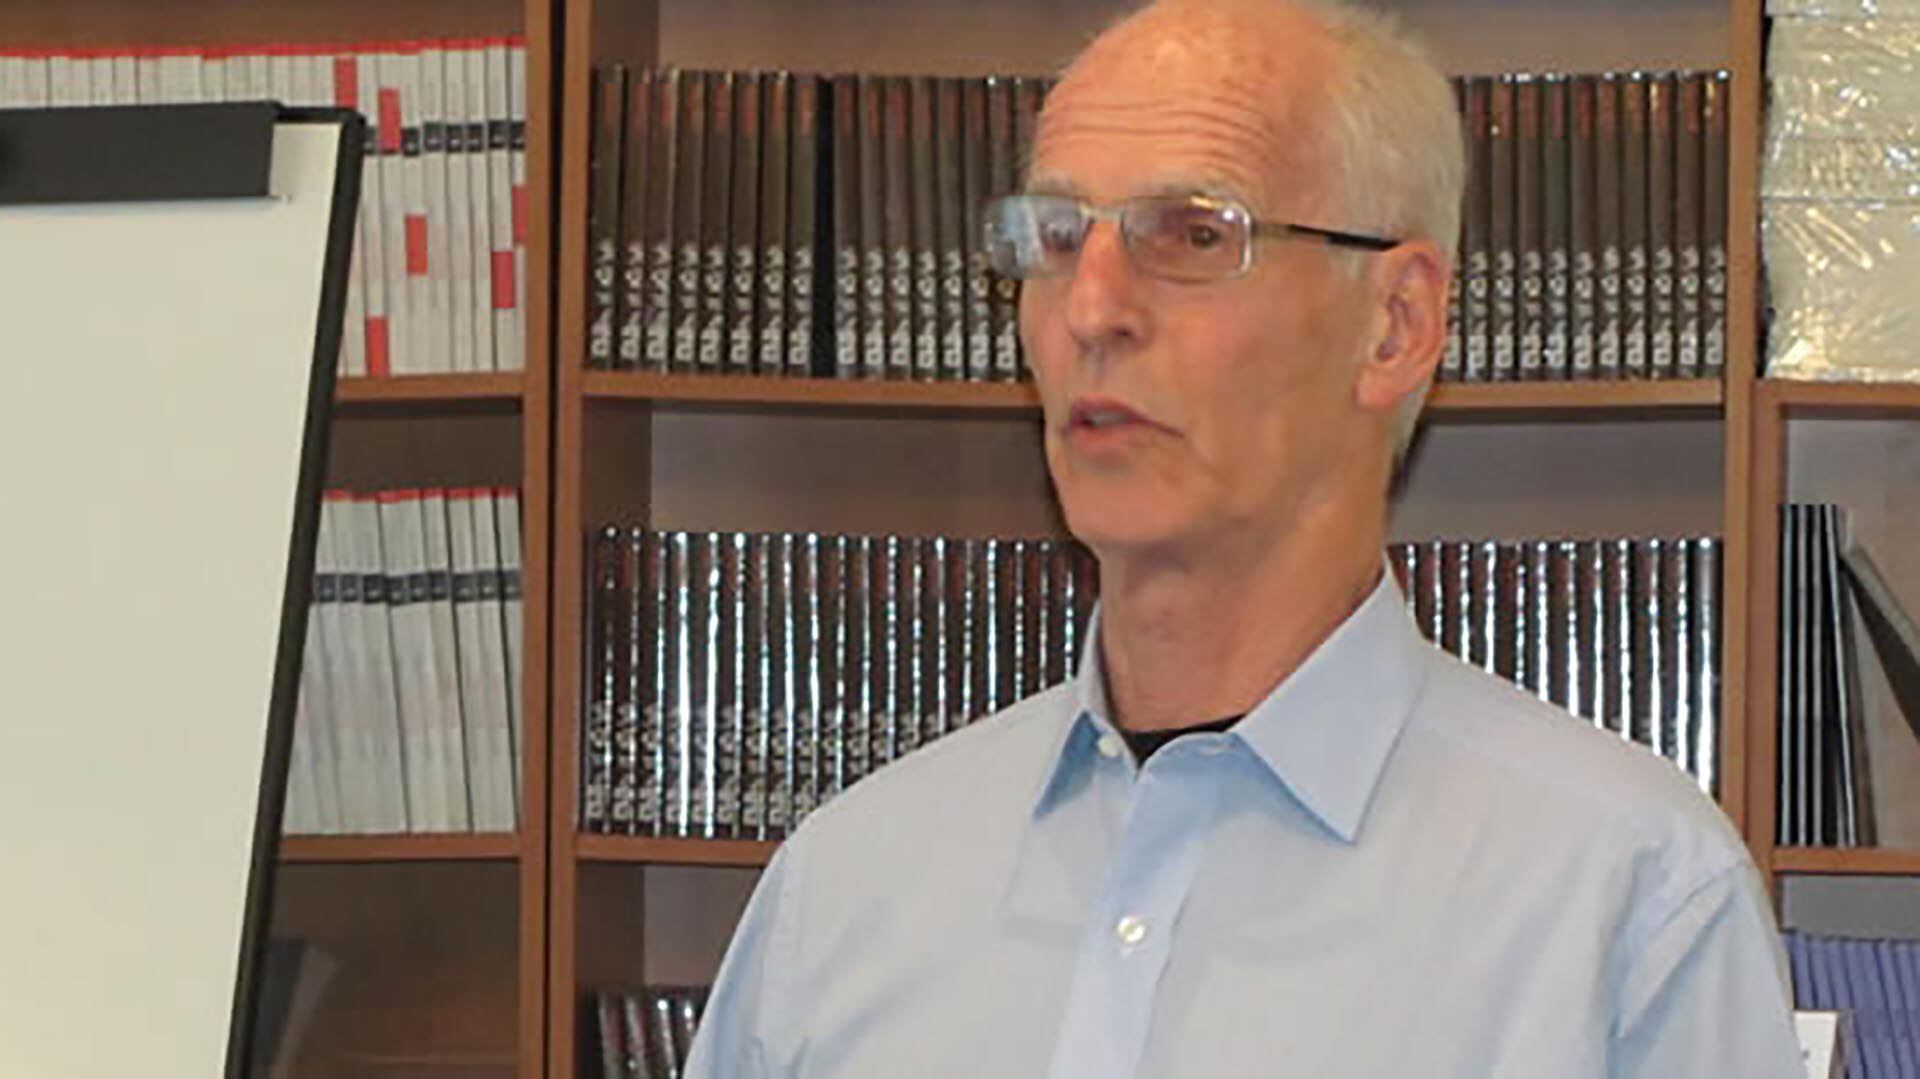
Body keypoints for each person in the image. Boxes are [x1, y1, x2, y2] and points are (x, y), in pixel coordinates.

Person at [685, 1, 1804, 1074]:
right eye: (1056, 237)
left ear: (1395, 324)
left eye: (1193, 234)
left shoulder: (1629, 906)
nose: (1091, 310)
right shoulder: (843, 891)